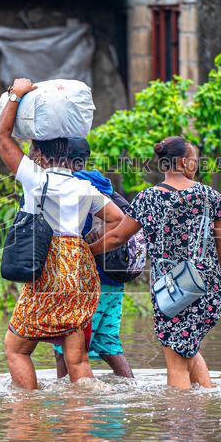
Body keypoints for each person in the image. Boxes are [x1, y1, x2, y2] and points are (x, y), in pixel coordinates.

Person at [0, 77, 125, 390]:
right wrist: (88, 249)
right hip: (79, 270)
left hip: (48, 269)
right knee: (76, 357)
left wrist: (15, 95)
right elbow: (119, 219)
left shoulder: (36, 180)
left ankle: (28, 412)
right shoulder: (85, 187)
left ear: (38, 154)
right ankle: (81, 424)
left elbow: (1, 138)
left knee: (16, 348)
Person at [89, 136, 221, 390]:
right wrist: (201, 272)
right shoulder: (211, 196)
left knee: (177, 364)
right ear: (182, 162)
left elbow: (118, 237)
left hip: (172, 292)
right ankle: (206, 411)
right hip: (208, 288)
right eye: (194, 160)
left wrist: (83, 250)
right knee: (188, 348)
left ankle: (179, 424)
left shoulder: (147, 199)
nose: (197, 165)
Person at [51, 138, 135, 379]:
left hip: (89, 280)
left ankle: (68, 405)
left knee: (65, 347)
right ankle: (128, 395)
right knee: (108, 342)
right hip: (114, 279)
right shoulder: (104, 185)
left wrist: (87, 252)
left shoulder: (74, 187)